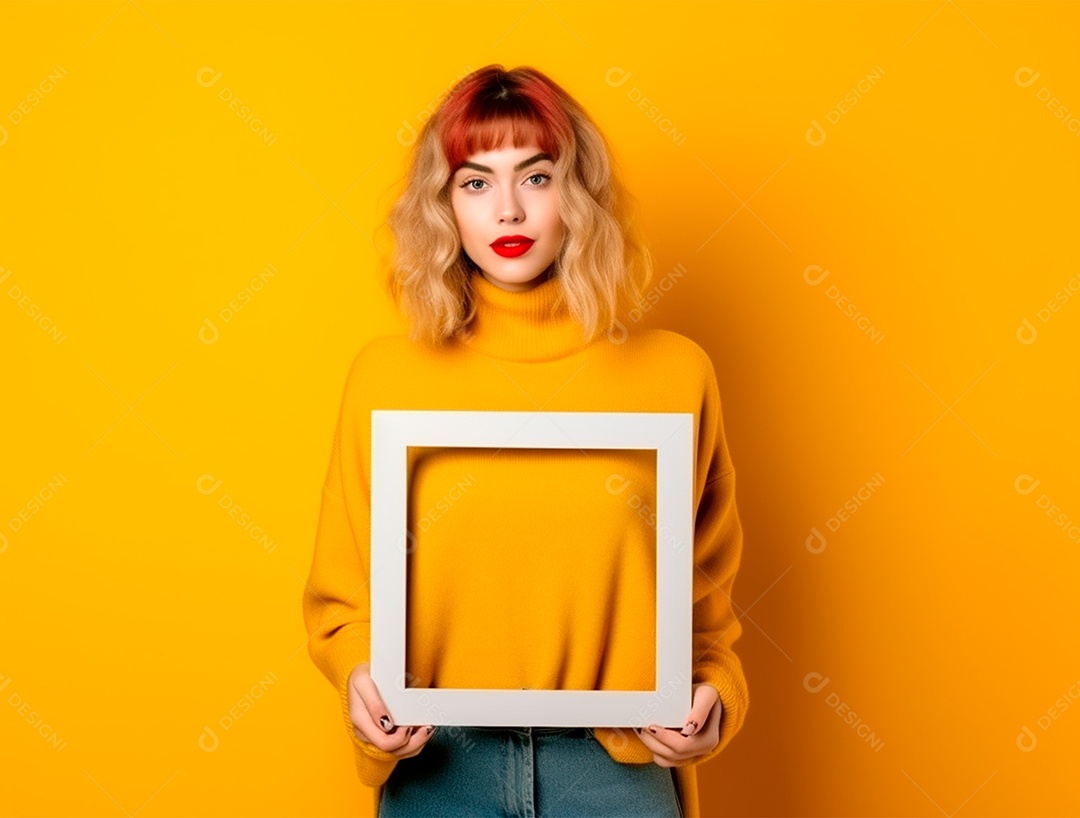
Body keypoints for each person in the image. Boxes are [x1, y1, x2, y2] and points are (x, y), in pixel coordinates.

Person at [301, 64, 749, 817]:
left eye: (535, 176)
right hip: (440, 766)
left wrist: (713, 698)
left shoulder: (673, 374)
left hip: (614, 771)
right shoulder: (388, 377)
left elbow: (706, 607)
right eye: (475, 183)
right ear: (441, 205)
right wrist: (360, 683)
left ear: (578, 193)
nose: (507, 210)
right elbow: (343, 600)